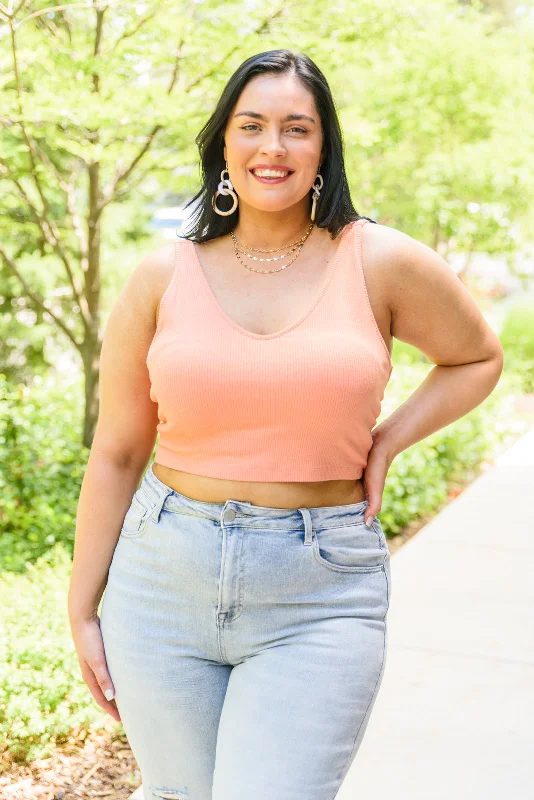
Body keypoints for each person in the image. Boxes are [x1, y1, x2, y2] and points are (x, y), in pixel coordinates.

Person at [68, 49, 504, 800]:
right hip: (161, 579)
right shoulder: (162, 276)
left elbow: (476, 358)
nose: (273, 148)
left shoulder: (381, 261)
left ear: (324, 149)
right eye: (253, 126)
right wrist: (83, 605)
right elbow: (117, 452)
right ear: (224, 145)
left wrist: (388, 439)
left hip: (319, 592)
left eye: (297, 128)